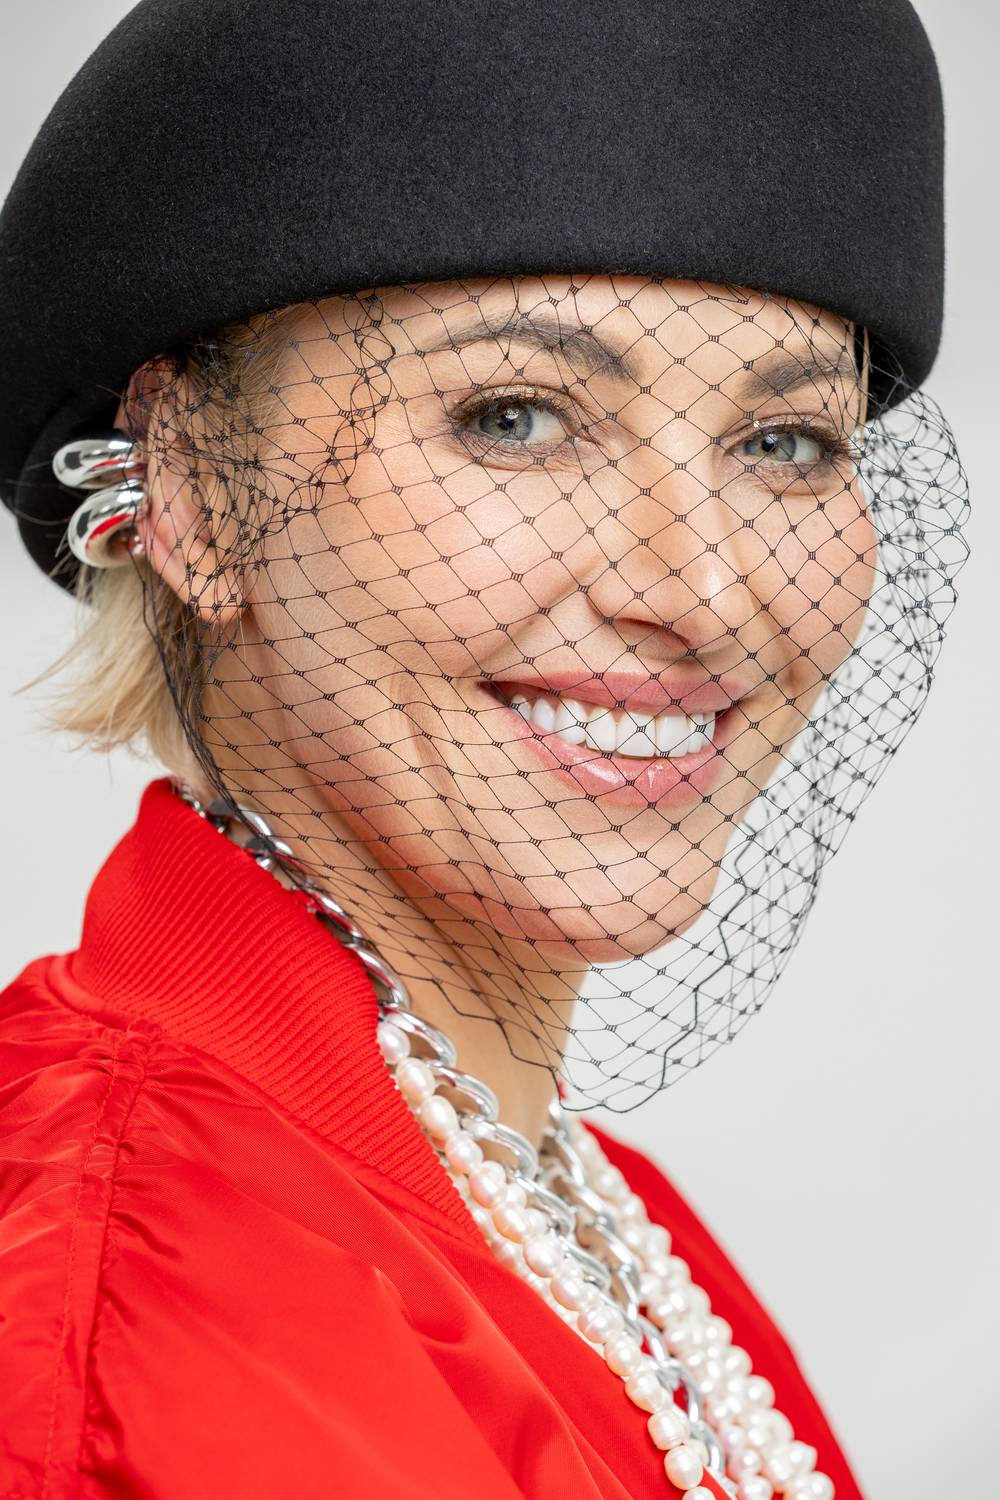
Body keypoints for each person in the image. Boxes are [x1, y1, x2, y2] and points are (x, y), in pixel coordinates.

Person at [0, 3, 969, 1498]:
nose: (707, 594)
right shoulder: (136, 1287)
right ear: (194, 494)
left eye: (787, 444)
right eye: (517, 418)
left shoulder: (605, 1237)